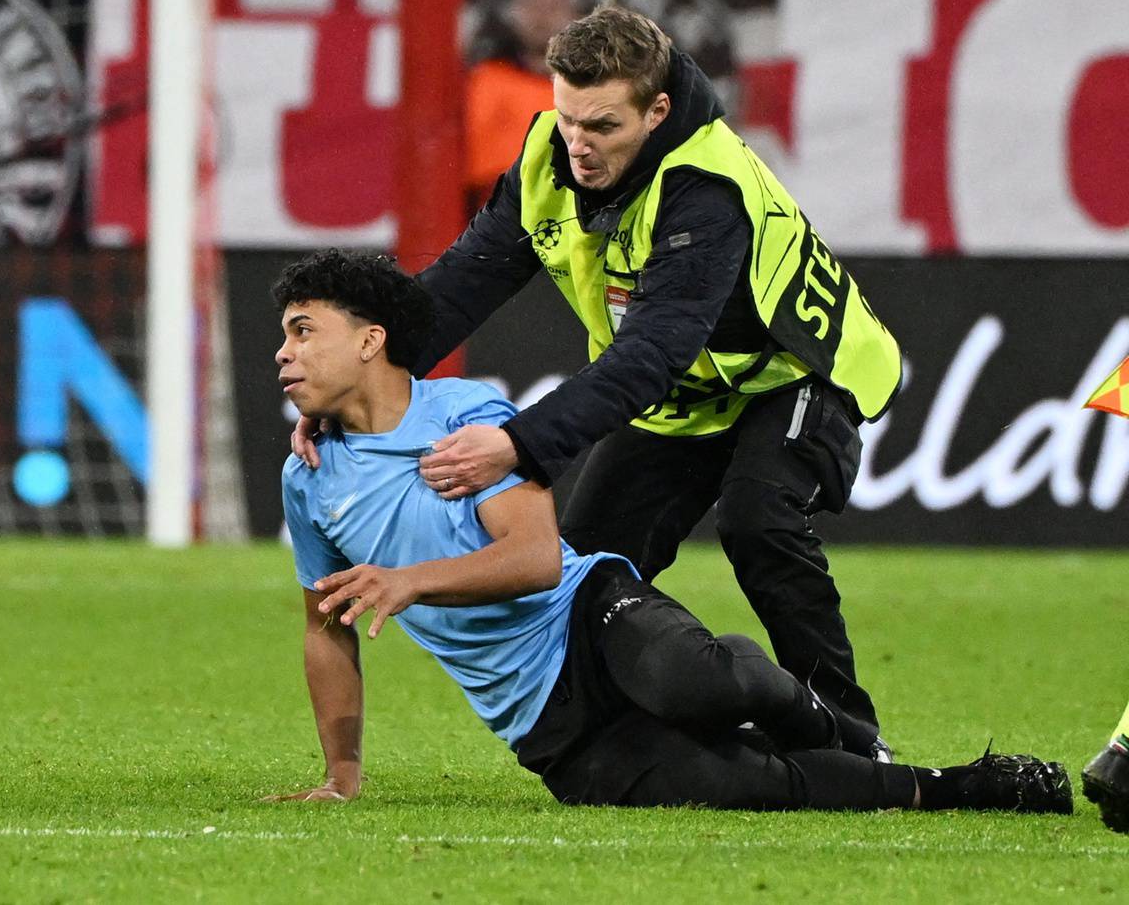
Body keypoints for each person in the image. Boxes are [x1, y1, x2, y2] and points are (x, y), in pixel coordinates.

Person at [293, 4, 902, 756]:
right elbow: (458, 286)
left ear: (658, 110)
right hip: (687, 399)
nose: (577, 145)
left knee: (760, 520)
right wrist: (347, 387)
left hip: (795, 372)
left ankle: (848, 737)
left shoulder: (704, 190)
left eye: (603, 127)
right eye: (568, 117)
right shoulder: (551, 150)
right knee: (581, 573)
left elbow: (650, 356)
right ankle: (659, 732)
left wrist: (519, 444)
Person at [265, 248, 1069, 812]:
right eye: (282, 335)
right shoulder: (309, 479)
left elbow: (538, 557)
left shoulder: (462, 416)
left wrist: (409, 581)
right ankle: (958, 786)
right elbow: (324, 628)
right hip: (546, 724)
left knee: (703, 683)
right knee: (749, 785)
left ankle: (844, 728)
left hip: (587, 614)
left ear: (371, 339)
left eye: (304, 329)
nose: (284, 352)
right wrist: (343, 773)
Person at [462, 0, 573, 200]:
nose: (541, 17)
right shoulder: (488, 79)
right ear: (514, 14)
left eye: (553, 6)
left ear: (574, 16)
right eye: (532, 6)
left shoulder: (595, 83)